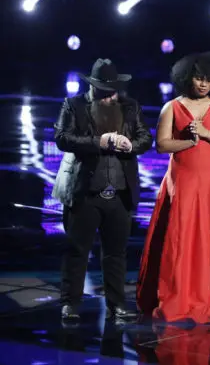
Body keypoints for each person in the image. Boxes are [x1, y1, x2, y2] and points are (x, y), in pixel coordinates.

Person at [136, 52, 210, 323]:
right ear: (187, 78)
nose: (203, 84)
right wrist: (189, 143)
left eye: (208, 80)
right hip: (183, 180)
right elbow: (162, 145)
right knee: (181, 239)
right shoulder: (171, 107)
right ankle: (180, 295)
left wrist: (205, 134)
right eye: (199, 78)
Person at [53, 58, 152, 322]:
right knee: (77, 250)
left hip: (119, 192)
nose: (110, 96)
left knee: (116, 253)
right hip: (84, 190)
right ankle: (70, 303)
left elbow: (146, 137)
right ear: (93, 87)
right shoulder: (74, 105)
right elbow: (62, 138)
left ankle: (117, 304)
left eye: (113, 90)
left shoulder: (130, 106)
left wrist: (130, 144)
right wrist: (100, 141)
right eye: (104, 91)